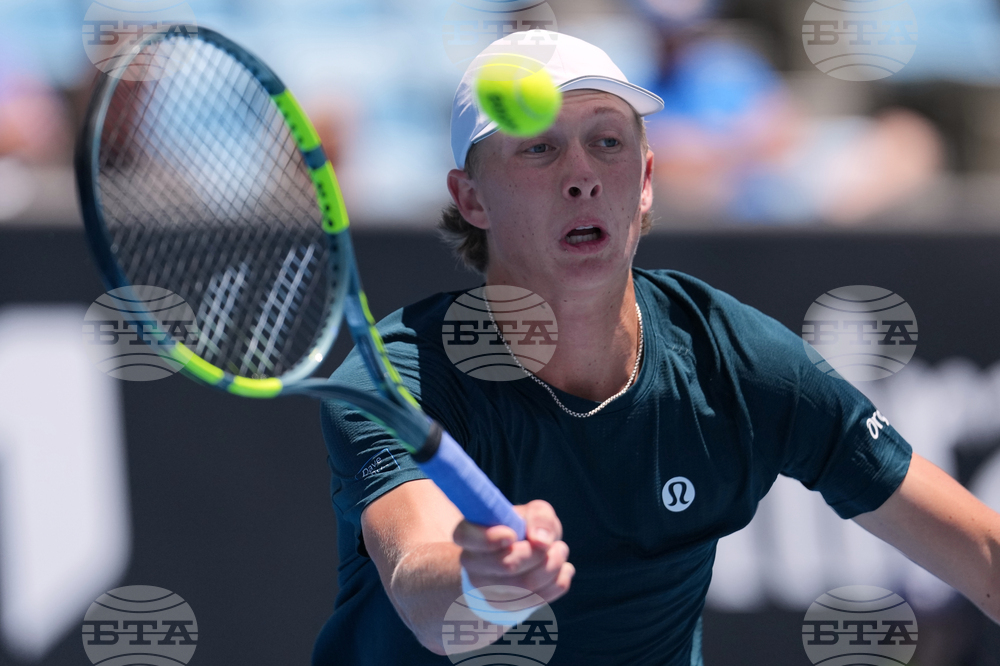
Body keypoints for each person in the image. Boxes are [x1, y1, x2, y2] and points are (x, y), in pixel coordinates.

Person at [312, 30, 1000, 665]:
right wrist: (482, 575)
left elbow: (982, 550)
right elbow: (422, 591)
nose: (582, 175)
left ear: (644, 182)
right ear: (471, 199)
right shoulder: (399, 378)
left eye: (607, 142)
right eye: (538, 148)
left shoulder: (734, 359)